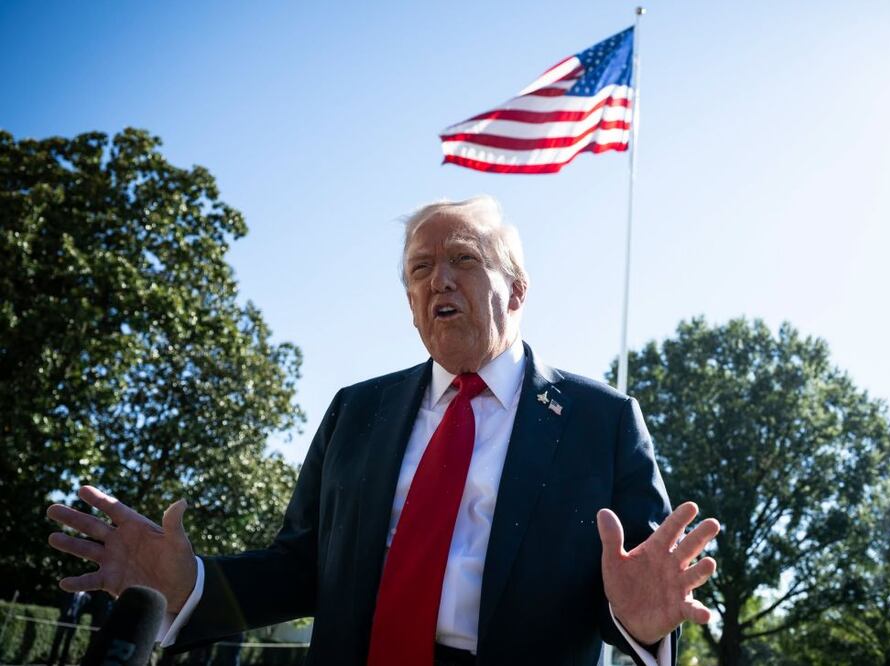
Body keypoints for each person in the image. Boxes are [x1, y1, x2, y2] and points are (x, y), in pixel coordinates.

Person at [46, 196, 720, 666]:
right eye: (420, 270)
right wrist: (190, 581)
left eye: (463, 260)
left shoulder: (600, 421)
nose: (439, 281)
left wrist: (636, 622)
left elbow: (637, 581)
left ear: (515, 291)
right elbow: (300, 568)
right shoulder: (354, 412)